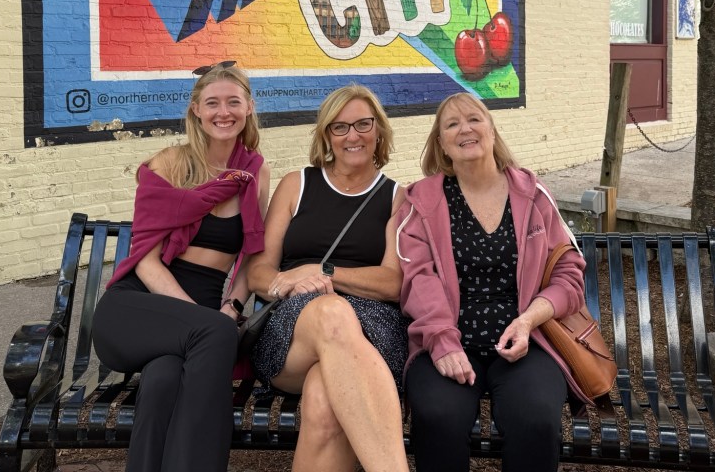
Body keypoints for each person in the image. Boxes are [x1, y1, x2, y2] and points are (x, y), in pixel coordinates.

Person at [92, 63, 271, 472]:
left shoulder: (254, 173)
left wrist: (234, 308)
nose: (222, 112)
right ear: (195, 110)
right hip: (137, 306)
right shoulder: (171, 163)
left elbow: (250, 256)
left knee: (163, 380)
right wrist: (207, 321)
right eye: (212, 103)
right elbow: (147, 261)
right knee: (214, 333)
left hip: (200, 325)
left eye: (233, 102)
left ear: (249, 107)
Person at [395, 92, 587, 472]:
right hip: (446, 341)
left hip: (526, 342)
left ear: (492, 130)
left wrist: (528, 321)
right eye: (451, 124)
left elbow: (569, 275)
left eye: (474, 119)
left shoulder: (533, 194)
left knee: (536, 420)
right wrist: (442, 341)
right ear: (441, 144)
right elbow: (418, 277)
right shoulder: (421, 201)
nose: (465, 128)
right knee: (436, 417)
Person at [247, 85, 409, 472]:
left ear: (379, 131)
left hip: (374, 327)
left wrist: (325, 271)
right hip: (294, 328)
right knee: (332, 313)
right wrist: (285, 282)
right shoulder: (296, 184)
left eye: (363, 124)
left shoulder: (396, 197)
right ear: (326, 136)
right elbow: (257, 272)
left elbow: (393, 283)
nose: (352, 136)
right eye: (340, 127)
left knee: (325, 404)